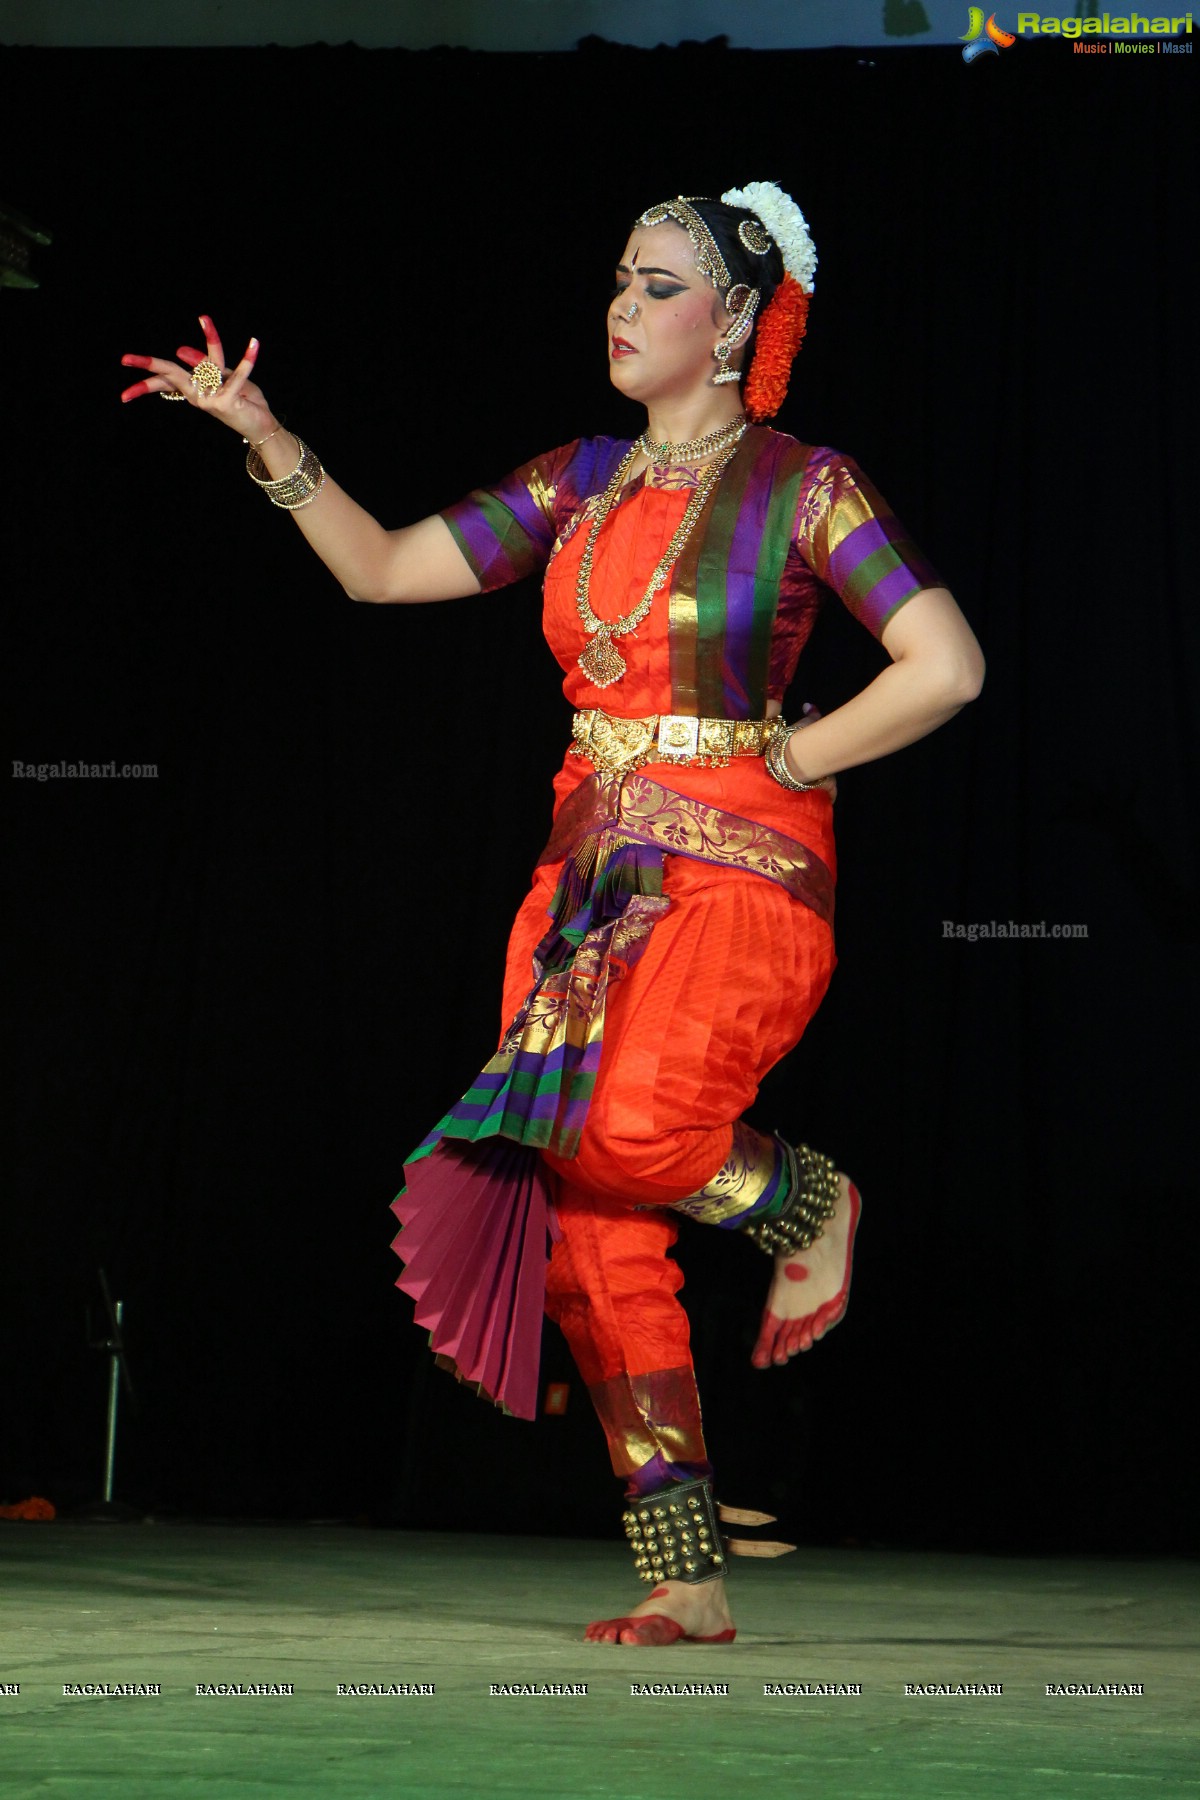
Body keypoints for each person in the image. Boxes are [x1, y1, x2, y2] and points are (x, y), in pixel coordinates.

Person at [120, 181, 984, 1647]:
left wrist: (795, 753)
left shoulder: (806, 486)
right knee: (590, 1230)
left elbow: (944, 665)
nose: (622, 307)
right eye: (620, 280)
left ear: (734, 325)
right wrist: (265, 441)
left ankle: (811, 1202)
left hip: (742, 876)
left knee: (636, 1132)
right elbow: (385, 571)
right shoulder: (579, 481)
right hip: (584, 885)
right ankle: (687, 1575)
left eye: (658, 286)